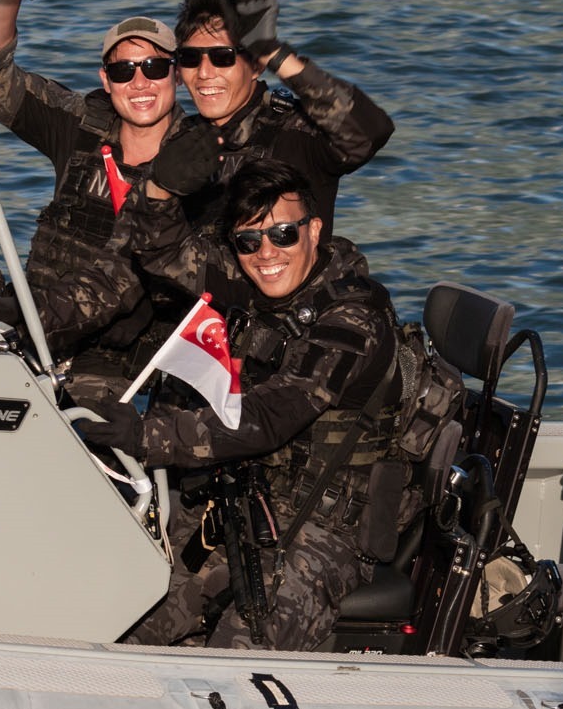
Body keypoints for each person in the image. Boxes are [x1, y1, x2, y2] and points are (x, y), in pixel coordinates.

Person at [76, 160, 413, 651]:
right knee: (114, 626)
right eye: (249, 241)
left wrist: (147, 434)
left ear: (313, 230)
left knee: (238, 655)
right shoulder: (264, 288)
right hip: (242, 509)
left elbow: (269, 418)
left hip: (322, 534)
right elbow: (164, 253)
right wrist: (162, 189)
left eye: (282, 234)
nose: (266, 254)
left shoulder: (353, 320)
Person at [0, 0, 187, 404]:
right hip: (32, 332)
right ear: (106, 80)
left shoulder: (197, 158)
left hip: (123, 366)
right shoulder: (81, 126)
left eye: (154, 67)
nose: (140, 83)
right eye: (124, 72)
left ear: (178, 74)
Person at [169, 0, 394, 239]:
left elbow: (370, 131)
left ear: (256, 65)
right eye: (190, 58)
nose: (204, 72)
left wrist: (273, 51)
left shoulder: (295, 134)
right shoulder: (177, 140)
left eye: (223, 56)